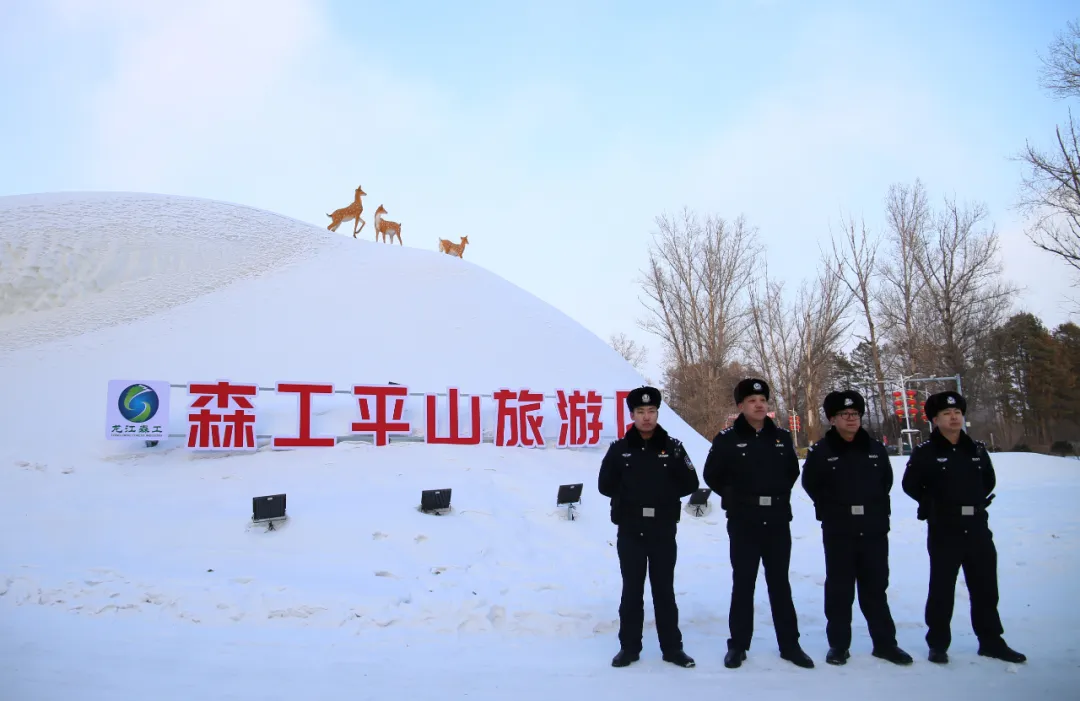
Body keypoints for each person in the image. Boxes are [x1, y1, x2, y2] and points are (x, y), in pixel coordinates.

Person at [901, 390, 1026, 665]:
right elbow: (910, 484)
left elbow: (988, 480)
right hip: (945, 528)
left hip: (977, 527)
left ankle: (991, 640)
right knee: (942, 589)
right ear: (935, 420)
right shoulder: (926, 452)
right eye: (947, 413)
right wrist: (932, 502)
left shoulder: (976, 449)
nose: (954, 417)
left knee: (985, 588)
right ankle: (938, 644)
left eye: (957, 412)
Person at [702, 378, 814, 669]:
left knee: (780, 584)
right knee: (744, 583)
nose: (759, 404)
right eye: (752, 400)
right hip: (744, 520)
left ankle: (790, 645)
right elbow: (712, 475)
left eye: (762, 399)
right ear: (741, 406)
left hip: (777, 519)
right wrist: (736, 497)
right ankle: (738, 645)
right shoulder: (726, 439)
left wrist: (773, 494)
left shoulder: (781, 437)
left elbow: (791, 471)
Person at [801, 390, 913, 666]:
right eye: (844, 415)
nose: (851, 419)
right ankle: (839, 645)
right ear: (832, 419)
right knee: (839, 589)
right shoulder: (821, 451)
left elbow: (885, 481)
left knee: (876, 587)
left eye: (855, 414)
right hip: (839, 529)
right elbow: (811, 484)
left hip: (873, 528)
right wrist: (832, 507)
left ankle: (885, 644)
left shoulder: (874, 449)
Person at [598, 385, 700, 668]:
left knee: (664, 590)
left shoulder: (674, 447)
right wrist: (629, 493)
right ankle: (629, 648)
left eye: (651, 411)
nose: (646, 417)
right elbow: (604, 484)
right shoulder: (620, 450)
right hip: (630, 530)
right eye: (641, 412)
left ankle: (672, 648)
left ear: (657, 413)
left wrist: (664, 493)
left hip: (662, 529)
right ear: (632, 415)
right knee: (632, 590)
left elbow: (690, 482)